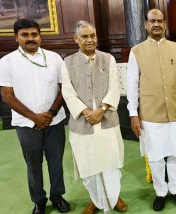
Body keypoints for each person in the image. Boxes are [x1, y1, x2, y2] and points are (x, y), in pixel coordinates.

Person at [0, 18, 70, 214]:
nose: (30, 38)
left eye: (34, 34)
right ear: (16, 38)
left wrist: (51, 113)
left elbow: (64, 89)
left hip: (54, 120)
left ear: (39, 36)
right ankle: (38, 201)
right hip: (26, 124)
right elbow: (7, 96)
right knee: (33, 163)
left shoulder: (55, 58)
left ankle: (57, 196)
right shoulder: (6, 62)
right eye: (25, 35)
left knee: (56, 161)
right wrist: (34, 117)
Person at [127, 9, 176, 211]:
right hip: (150, 113)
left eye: (160, 21)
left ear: (164, 24)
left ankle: (175, 189)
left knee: (175, 153)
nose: (156, 24)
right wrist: (133, 114)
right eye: (152, 21)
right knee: (155, 156)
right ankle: (160, 192)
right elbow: (131, 85)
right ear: (146, 25)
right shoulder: (136, 51)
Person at [61, 20, 127, 213]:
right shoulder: (67, 62)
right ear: (76, 39)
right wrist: (86, 112)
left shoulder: (108, 59)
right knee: (88, 163)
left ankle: (113, 198)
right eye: (84, 36)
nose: (90, 40)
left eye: (92, 36)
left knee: (111, 161)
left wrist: (102, 109)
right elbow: (67, 92)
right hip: (82, 122)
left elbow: (115, 86)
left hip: (106, 119)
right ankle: (95, 200)